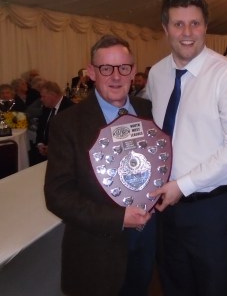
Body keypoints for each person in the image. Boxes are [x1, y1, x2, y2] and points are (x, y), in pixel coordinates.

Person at [147, 0, 227, 296]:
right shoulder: (157, 74)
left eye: (195, 23)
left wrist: (182, 185)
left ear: (206, 26)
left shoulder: (226, 74)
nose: (187, 32)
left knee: (214, 287)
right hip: (164, 206)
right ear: (165, 28)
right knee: (173, 284)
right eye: (178, 24)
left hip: (211, 209)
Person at [44, 34, 156, 296]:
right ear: (92, 72)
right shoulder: (68, 124)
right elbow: (58, 196)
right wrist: (118, 218)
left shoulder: (148, 111)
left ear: (133, 72)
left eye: (123, 68)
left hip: (145, 243)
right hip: (96, 251)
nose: (116, 77)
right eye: (106, 68)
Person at [30, 81, 74, 165]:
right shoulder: (47, 107)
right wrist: (40, 144)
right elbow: (41, 128)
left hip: (62, 154)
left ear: (53, 95)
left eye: (43, 96)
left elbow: (71, 137)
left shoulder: (70, 109)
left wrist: (53, 148)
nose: (41, 99)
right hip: (44, 151)